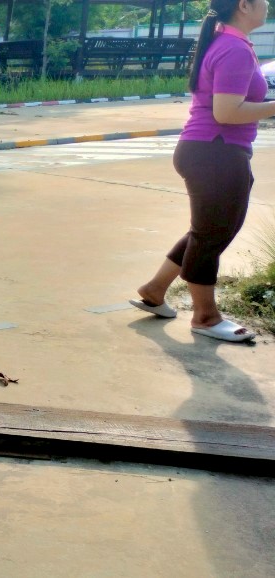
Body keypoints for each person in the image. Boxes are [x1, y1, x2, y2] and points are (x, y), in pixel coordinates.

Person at [130, 0, 272, 342]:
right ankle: (205, 317)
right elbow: (227, 112)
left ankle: (154, 289)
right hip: (216, 153)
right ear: (244, 5)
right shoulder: (234, 49)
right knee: (212, 236)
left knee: (206, 230)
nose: (268, 4)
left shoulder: (227, 42)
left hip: (209, 151)